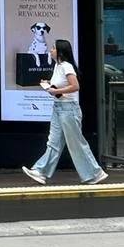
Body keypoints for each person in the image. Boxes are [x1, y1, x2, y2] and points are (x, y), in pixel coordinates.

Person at [23, 38, 108, 186]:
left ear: (60, 52)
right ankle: (41, 171)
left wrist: (56, 90)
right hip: (58, 107)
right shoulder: (58, 66)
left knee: (76, 142)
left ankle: (95, 173)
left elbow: (75, 86)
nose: (51, 50)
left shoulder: (66, 66)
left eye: (53, 48)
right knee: (54, 142)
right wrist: (50, 86)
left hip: (69, 108)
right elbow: (63, 85)